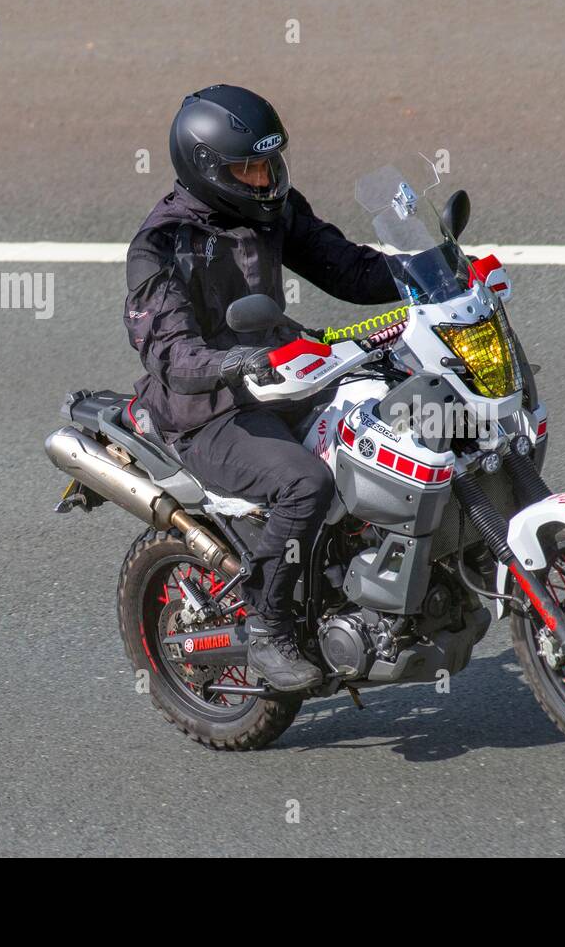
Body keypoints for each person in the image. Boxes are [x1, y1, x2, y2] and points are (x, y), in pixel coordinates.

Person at [123, 84, 399, 691]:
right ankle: (267, 624)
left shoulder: (271, 205)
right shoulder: (159, 247)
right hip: (205, 410)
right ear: (207, 170)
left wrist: (429, 270)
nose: (265, 178)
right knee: (305, 483)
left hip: (282, 374)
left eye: (272, 162)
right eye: (249, 168)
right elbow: (169, 354)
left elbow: (346, 268)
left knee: (397, 409)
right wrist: (228, 364)